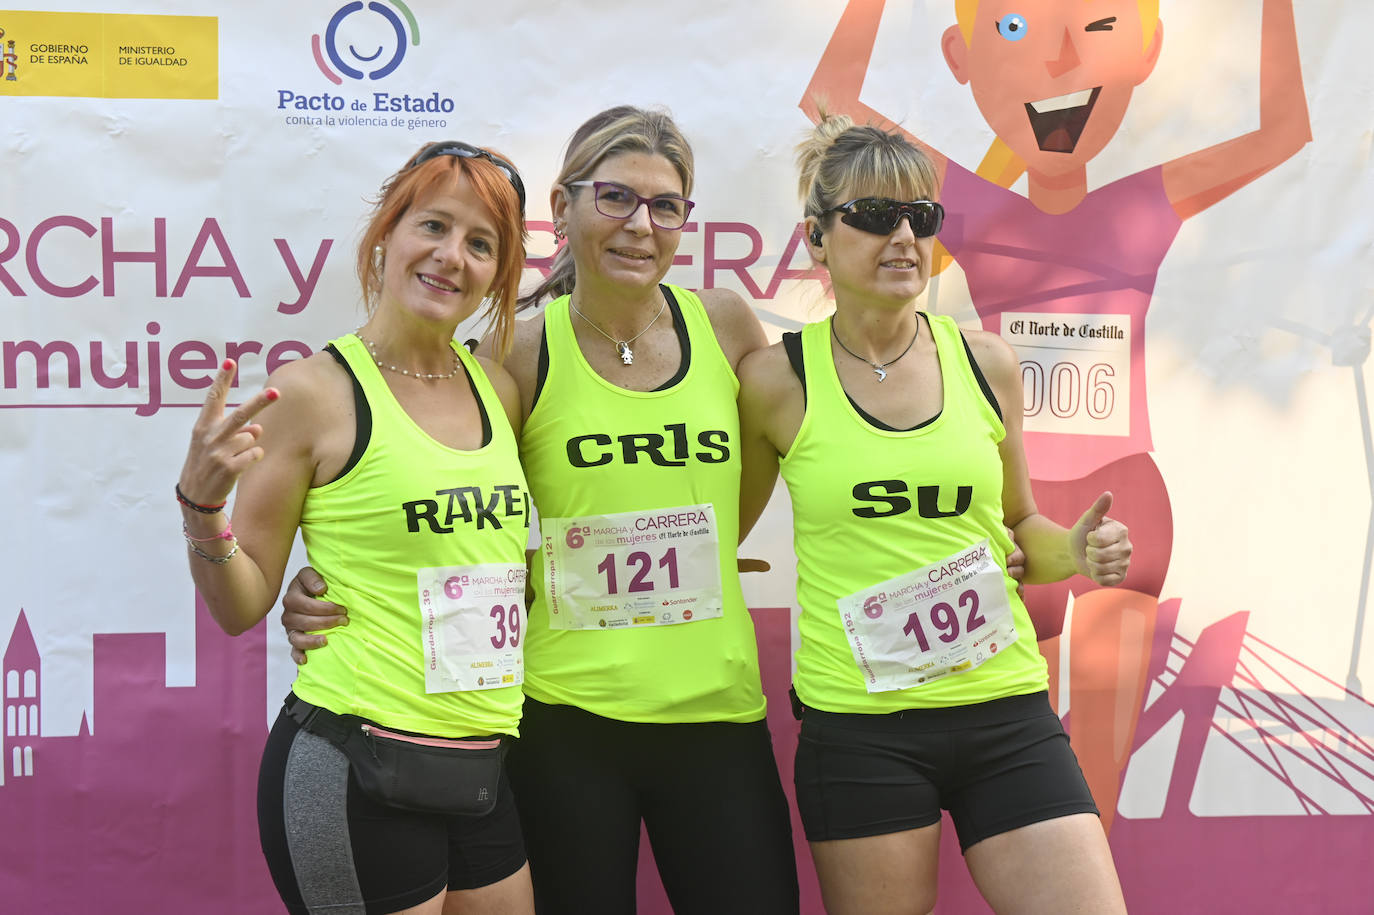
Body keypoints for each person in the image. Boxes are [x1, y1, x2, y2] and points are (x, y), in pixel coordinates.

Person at [281, 106, 800, 914]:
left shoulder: (726, 322)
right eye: (617, 197)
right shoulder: (519, 351)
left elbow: (788, 459)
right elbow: (443, 496)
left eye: (666, 206)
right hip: (565, 725)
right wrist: (326, 577)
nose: (641, 224)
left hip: (717, 713)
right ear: (563, 206)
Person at [804, 0, 1309, 831]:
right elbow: (829, 97)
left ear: (1144, 52)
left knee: (1083, 799)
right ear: (963, 58)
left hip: (1123, 503)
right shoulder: (959, 207)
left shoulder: (1139, 203)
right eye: (1014, 34)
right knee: (1004, 763)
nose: (1061, 60)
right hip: (1008, 513)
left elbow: (1280, 131)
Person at [735, 113, 1133, 913]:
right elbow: (725, 528)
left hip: (1004, 712)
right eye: (876, 217)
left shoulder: (986, 360)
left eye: (922, 218)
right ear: (817, 238)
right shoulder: (775, 381)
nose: (904, 237)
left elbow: (1024, 533)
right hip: (860, 729)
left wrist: (1077, 552)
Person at [177, 140, 536, 914]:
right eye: (434, 226)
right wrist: (202, 509)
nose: (452, 257)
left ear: (499, 275)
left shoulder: (498, 389)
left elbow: (486, 560)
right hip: (353, 762)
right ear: (387, 234)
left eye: (481, 245)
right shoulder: (311, 392)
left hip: (478, 766)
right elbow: (243, 604)